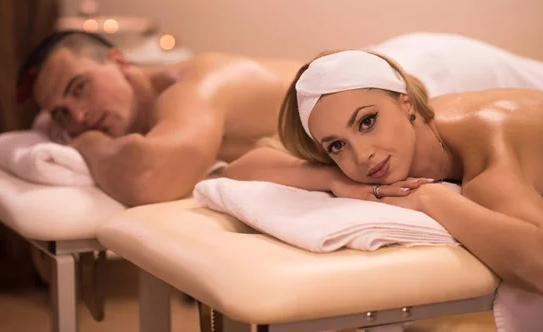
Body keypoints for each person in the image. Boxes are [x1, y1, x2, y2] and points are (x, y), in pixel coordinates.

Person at [18, 30, 543, 206]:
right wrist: (333, 180)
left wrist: (83, 143)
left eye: (78, 88)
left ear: (118, 59)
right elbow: (247, 165)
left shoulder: (194, 85)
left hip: (428, 72)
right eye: (63, 113)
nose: (80, 114)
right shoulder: (160, 114)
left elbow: (152, 176)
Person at [225, 49, 543, 295]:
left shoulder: (488, 161)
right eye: (336, 146)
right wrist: (333, 179)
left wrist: (433, 200)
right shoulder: (399, 134)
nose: (362, 156)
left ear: (405, 103)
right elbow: (241, 168)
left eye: (367, 122)